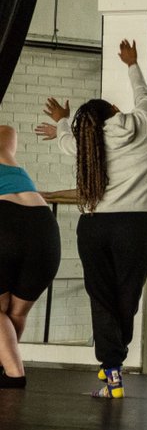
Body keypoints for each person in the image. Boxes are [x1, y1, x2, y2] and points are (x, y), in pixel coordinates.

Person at [37, 39, 147, 399]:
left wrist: (63, 122)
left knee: (101, 295)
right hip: (136, 228)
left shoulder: (87, 143)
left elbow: (68, 143)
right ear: (114, 109)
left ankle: (111, 367)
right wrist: (132, 64)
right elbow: (146, 97)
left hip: (95, 227)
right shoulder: (145, 126)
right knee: (127, 297)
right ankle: (114, 360)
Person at [0, 126, 62, 389]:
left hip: (4, 221)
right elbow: (8, 130)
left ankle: (14, 373)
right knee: (16, 313)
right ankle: (8, 369)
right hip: (42, 225)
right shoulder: (4, 149)